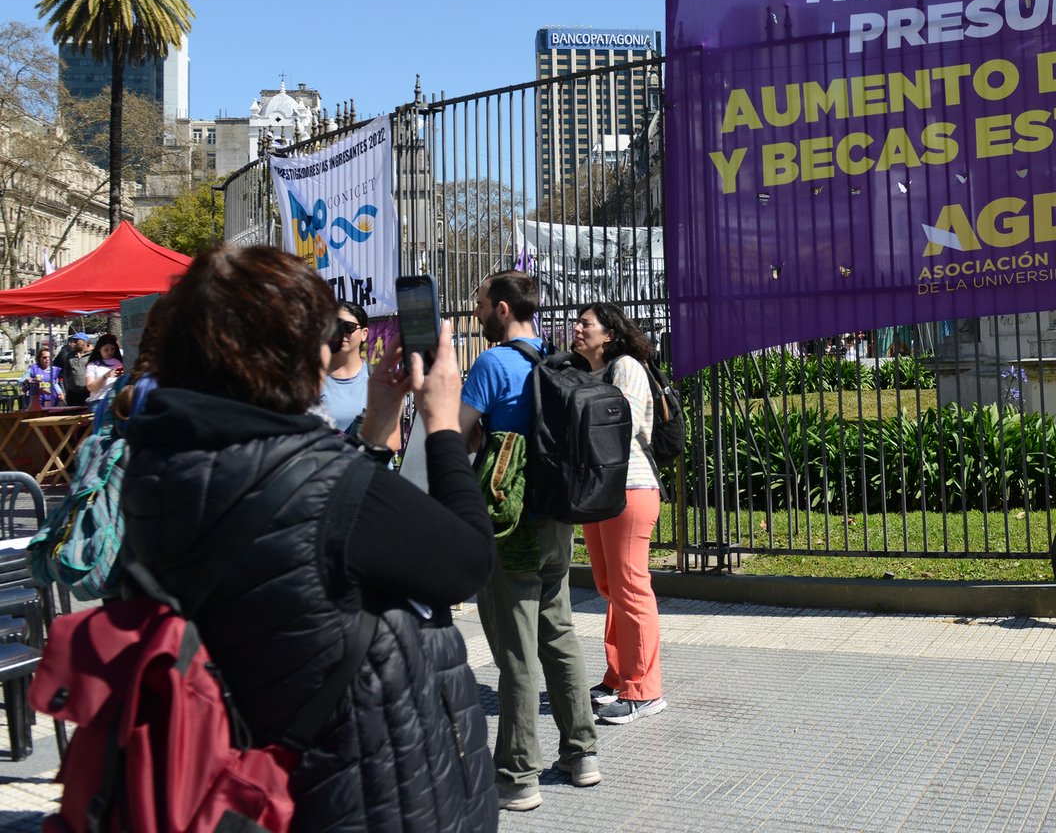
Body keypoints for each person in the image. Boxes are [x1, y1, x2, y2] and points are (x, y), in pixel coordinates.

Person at [119, 245, 497, 830]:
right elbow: (467, 562)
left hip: (247, 763)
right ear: (289, 351)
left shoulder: (159, 463)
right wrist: (444, 425)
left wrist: (377, 422)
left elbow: (313, 531)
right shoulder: (320, 479)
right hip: (358, 784)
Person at [458, 270, 601, 810]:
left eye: (479, 303)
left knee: (516, 652)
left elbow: (455, 433)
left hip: (510, 521)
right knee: (559, 633)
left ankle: (518, 775)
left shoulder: (492, 363)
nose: (475, 312)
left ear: (502, 308)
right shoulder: (557, 359)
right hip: (558, 519)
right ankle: (582, 753)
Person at [570, 302, 665, 725]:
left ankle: (645, 690)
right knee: (610, 587)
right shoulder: (586, 373)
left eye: (585, 323)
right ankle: (618, 677)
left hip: (630, 486)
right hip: (599, 491)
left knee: (631, 587)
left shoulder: (625, 366)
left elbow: (618, 425)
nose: (576, 328)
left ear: (608, 334)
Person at [319, 301, 370, 436]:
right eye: (336, 326)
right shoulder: (313, 380)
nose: (341, 333)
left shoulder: (377, 379)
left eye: (348, 327)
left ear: (364, 334)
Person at [55, 331, 93, 406]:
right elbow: (66, 373)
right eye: (73, 341)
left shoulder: (92, 355)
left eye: (76, 341)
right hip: (72, 393)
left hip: (88, 392)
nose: (74, 343)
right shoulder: (70, 356)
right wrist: (68, 388)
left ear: (84, 342)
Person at [84, 333, 123, 404]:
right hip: (98, 401)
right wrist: (105, 376)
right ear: (99, 349)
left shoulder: (120, 362)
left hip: (117, 400)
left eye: (112, 349)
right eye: (106, 350)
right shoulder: (92, 365)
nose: (110, 352)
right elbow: (90, 387)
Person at [24, 345, 62, 410]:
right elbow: (22, 380)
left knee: (50, 414)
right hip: (36, 399)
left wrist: (60, 393)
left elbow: (55, 383)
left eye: (49, 357)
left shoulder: (55, 369)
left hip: (52, 398)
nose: (47, 359)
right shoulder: (33, 368)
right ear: (39, 358)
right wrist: (30, 380)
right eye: (44, 357)